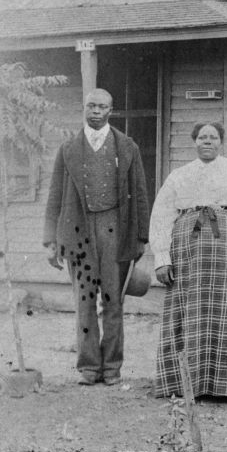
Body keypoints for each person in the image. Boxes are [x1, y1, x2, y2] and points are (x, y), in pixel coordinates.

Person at [150, 122, 227, 401]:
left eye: (213, 137)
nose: (207, 142)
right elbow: (162, 215)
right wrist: (162, 258)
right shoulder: (180, 175)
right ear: (194, 142)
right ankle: (185, 385)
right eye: (202, 137)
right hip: (188, 249)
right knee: (189, 309)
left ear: (221, 142)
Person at [43, 88, 151, 386]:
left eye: (102, 107)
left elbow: (140, 194)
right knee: (85, 300)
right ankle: (89, 366)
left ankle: (112, 367)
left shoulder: (127, 147)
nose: (95, 111)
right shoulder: (68, 149)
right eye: (90, 106)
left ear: (110, 111)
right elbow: (54, 196)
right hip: (77, 229)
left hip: (114, 229)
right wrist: (50, 239)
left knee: (113, 300)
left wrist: (141, 237)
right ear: (84, 108)